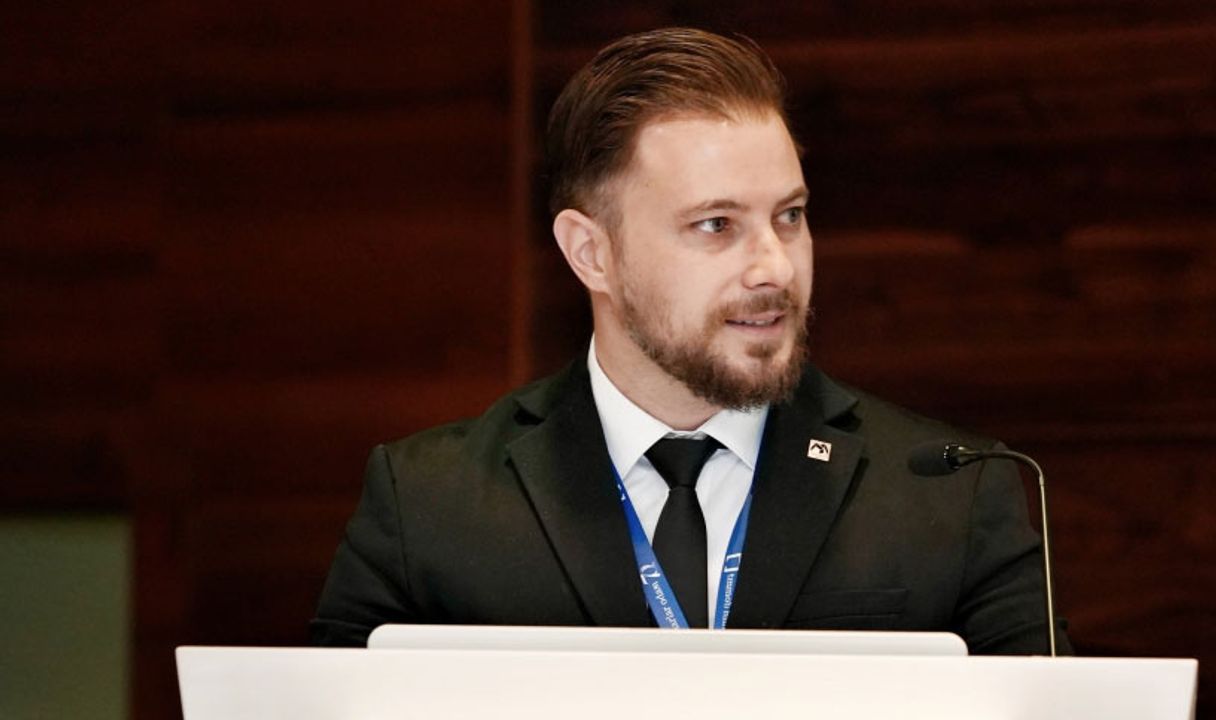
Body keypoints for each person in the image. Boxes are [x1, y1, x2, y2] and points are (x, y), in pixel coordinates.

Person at [311, 27, 1069, 654]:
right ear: (591, 253)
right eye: (716, 225)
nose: (775, 267)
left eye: (790, 216)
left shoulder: (951, 495)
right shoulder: (429, 506)